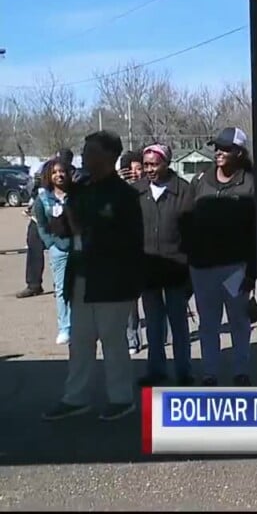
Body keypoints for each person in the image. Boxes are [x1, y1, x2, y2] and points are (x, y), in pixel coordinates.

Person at [42, 131, 145, 422]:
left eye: (90, 152)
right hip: (82, 276)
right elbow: (63, 226)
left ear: (109, 157)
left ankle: (121, 398)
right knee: (80, 340)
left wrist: (86, 230)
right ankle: (75, 398)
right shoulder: (80, 189)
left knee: (113, 341)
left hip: (113, 280)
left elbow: (130, 242)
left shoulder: (124, 196)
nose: (84, 156)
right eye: (84, 151)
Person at [184, 127, 257, 387]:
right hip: (202, 267)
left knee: (239, 320)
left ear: (239, 152)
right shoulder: (201, 181)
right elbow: (187, 221)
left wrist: (252, 272)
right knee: (208, 324)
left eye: (225, 148)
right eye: (216, 147)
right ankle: (210, 373)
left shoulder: (251, 182)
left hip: (236, 266)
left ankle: (241, 370)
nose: (219, 152)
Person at [135, 144, 196, 387]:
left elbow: (192, 231)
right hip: (147, 269)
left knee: (179, 324)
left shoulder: (183, 190)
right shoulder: (136, 191)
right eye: (146, 164)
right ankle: (156, 370)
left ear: (166, 163)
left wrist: (191, 268)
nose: (149, 169)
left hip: (176, 268)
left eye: (154, 164)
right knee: (153, 323)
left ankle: (183, 371)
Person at [17, 148, 79, 299]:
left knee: (64, 252)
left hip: (61, 219)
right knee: (34, 248)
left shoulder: (74, 174)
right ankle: (33, 284)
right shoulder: (44, 169)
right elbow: (33, 190)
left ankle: (61, 284)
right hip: (40, 216)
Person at [33, 158, 74, 344]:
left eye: (62, 171)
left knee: (80, 288)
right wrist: (50, 243)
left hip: (79, 248)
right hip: (58, 249)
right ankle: (65, 327)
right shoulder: (43, 198)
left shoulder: (77, 195)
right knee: (61, 289)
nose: (59, 175)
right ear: (49, 175)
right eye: (55, 172)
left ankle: (81, 325)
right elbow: (41, 224)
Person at [119, 150, 146, 355]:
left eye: (139, 168)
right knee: (129, 303)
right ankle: (132, 338)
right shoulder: (120, 192)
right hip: (127, 253)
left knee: (155, 298)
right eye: (131, 170)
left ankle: (162, 333)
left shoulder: (150, 190)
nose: (136, 173)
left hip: (151, 251)